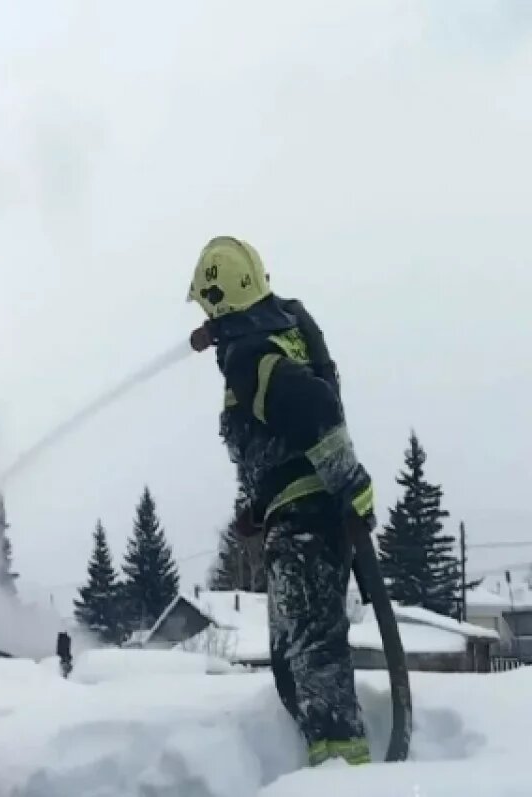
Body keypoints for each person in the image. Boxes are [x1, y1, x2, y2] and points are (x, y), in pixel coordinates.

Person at [186, 236, 375, 767]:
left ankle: (343, 773)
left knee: (311, 657)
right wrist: (257, 504)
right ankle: (334, 765)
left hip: (305, 524)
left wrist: (350, 482)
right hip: (303, 515)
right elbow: (283, 436)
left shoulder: (247, 353)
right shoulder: (279, 333)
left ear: (221, 299)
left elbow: (313, 406)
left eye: (208, 305)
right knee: (297, 657)